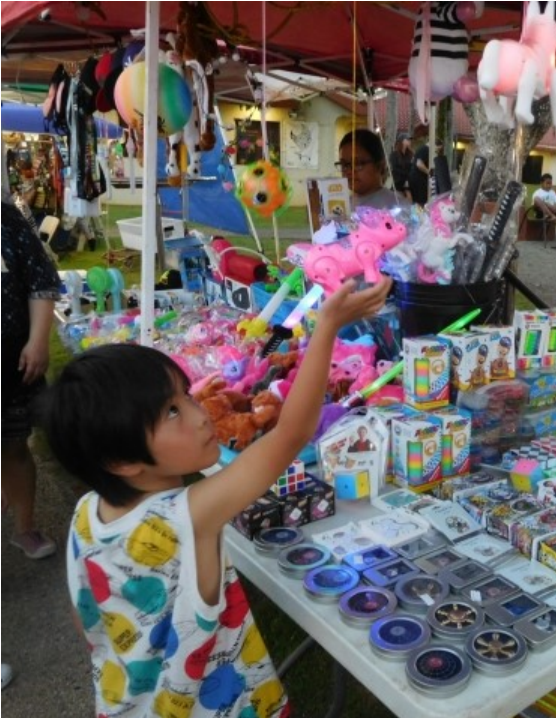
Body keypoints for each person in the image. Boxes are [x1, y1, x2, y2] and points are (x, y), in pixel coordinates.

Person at [38, 277, 392, 718]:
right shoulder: (189, 515)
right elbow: (291, 434)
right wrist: (327, 327)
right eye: (172, 412)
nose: (200, 414)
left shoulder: (85, 515)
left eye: (186, 396)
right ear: (121, 461)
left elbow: (89, 619)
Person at [2, 199, 60, 560]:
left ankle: (24, 529)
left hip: (10, 363)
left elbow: (40, 282)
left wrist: (38, 341)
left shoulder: (6, 219)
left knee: (13, 446)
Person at [338, 129, 409, 211]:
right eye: (344, 165)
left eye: (357, 164)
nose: (349, 171)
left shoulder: (397, 207)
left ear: (380, 165)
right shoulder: (342, 207)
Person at [388, 133, 413, 200]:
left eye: (409, 140)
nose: (409, 141)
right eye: (407, 139)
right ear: (402, 141)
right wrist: (406, 174)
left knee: (409, 199)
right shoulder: (394, 155)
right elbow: (395, 168)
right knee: (399, 200)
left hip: (408, 182)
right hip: (398, 182)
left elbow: (411, 167)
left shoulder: (410, 154)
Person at [408, 137, 431, 207]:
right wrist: (429, 172)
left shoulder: (421, 149)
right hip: (418, 180)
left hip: (416, 179)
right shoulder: (426, 149)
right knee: (420, 201)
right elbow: (419, 163)